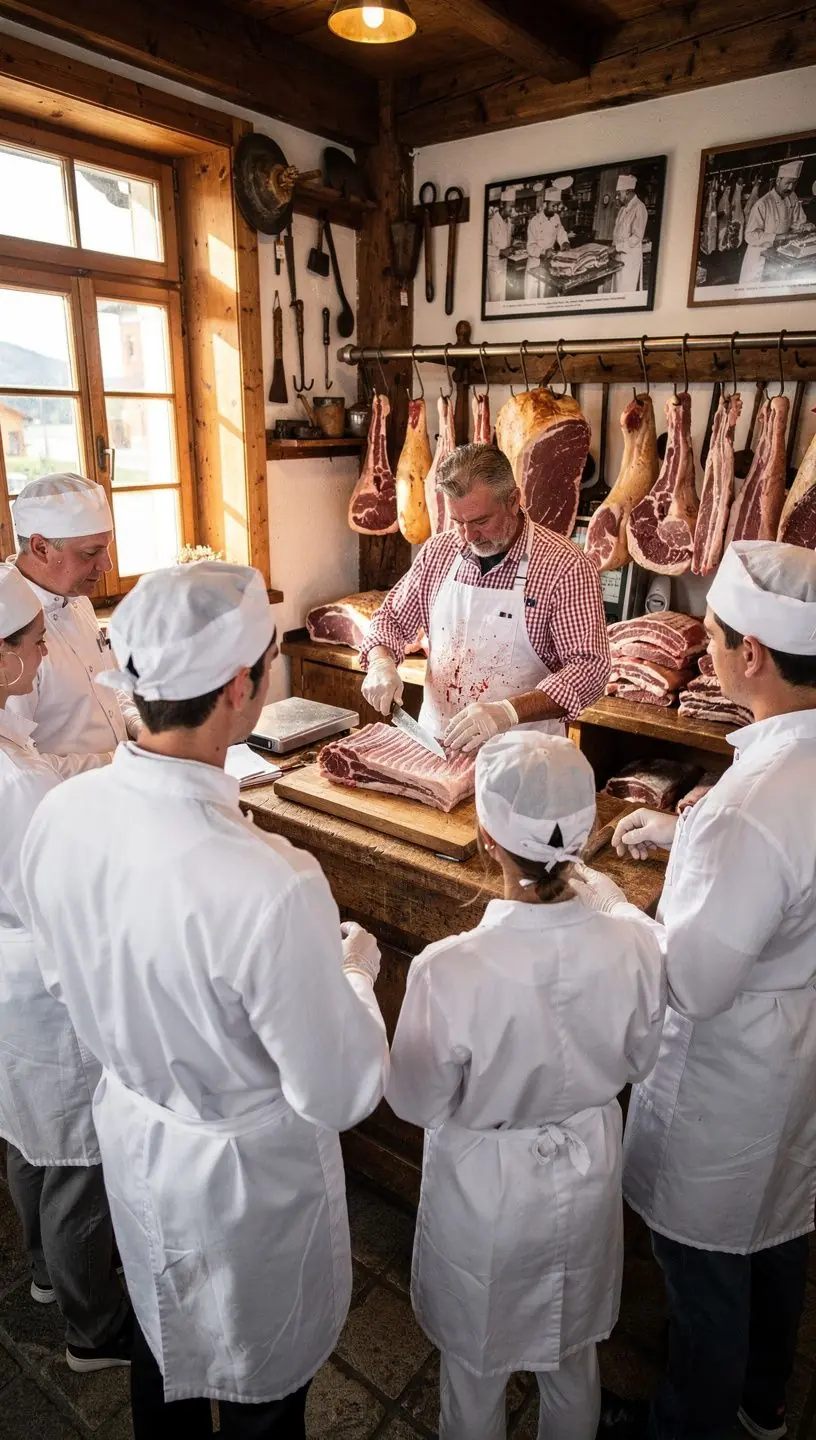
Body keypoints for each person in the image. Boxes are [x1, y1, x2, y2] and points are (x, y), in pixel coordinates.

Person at [20, 561, 390, 1439]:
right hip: (243, 1182)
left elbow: (66, 981)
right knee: (261, 1392)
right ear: (240, 687)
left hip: (140, 1137)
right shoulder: (271, 882)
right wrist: (353, 973)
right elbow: (337, 1092)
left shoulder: (64, 815)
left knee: (164, 1351)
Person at [387, 731, 665, 1440]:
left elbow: (415, 1101)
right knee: (573, 1359)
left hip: (488, 1189)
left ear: (487, 838)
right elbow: (642, 1058)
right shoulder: (634, 943)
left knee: (474, 1370)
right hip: (588, 1165)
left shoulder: (451, 968)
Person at [606, 540, 816, 1440]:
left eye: (716, 635)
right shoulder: (784, 770)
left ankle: (687, 1426)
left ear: (752, 656)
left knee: (706, 1267)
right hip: (793, 1046)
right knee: (779, 1227)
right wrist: (682, 835)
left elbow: (691, 980)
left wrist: (612, 910)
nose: (709, 647)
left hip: (730, 1073)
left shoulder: (752, 804)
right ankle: (764, 1402)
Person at [0, 564, 130, 1373]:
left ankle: (47, 1275)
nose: (44, 654)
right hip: (37, 977)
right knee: (78, 1158)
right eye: (34, 642)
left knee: (24, 1137)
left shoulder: (11, 745)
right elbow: (53, 888)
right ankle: (93, 1330)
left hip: (7, 977)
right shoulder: (13, 779)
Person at [360, 444, 610, 754]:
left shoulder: (565, 566)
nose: (468, 536)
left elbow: (590, 668)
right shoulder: (440, 552)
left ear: (513, 501)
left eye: (480, 521)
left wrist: (509, 711)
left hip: (522, 757)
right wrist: (380, 662)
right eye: (458, 522)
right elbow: (391, 620)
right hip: (438, 750)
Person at [8, 472, 140, 756]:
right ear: (40, 547)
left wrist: (139, 725)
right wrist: (122, 764)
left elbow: (106, 688)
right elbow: (17, 762)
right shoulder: (8, 624)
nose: (107, 565)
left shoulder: (78, 598)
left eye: (107, 548)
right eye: (91, 553)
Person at [740, 160, 814, 284]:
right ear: (778, 181)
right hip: (760, 256)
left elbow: (797, 221)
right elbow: (750, 235)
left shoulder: (792, 196)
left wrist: (803, 226)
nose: (791, 187)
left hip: (781, 256)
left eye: (794, 183)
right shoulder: (762, 204)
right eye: (788, 183)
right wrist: (779, 237)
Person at [525, 187, 571, 299]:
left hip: (548, 263)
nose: (555, 209)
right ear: (545, 204)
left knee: (544, 295)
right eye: (553, 206)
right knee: (531, 296)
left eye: (557, 205)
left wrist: (564, 242)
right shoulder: (534, 221)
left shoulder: (556, 218)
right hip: (535, 262)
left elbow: (561, 232)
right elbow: (530, 246)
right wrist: (543, 252)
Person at [612, 173, 648, 293]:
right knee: (616, 291)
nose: (617, 197)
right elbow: (617, 232)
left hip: (629, 259)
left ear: (628, 192)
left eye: (619, 194)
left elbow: (636, 237)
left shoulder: (639, 208)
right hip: (618, 256)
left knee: (624, 292)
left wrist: (617, 247)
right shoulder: (622, 210)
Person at [487, 193, 513, 301]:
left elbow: (507, 241)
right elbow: (485, 247)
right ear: (502, 204)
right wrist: (501, 252)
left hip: (503, 263)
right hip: (493, 264)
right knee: (494, 296)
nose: (513, 209)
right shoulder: (491, 222)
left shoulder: (508, 222)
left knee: (502, 295)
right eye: (510, 206)